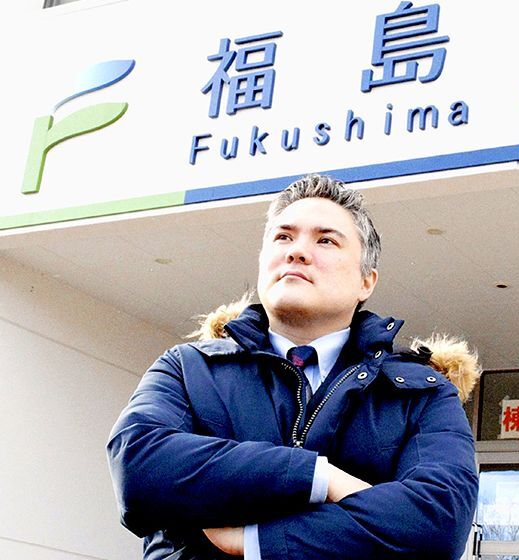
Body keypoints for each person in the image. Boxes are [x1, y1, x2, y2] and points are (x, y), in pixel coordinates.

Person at [107, 174, 480, 559]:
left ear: (366, 281)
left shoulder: (420, 391)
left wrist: (257, 542)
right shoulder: (188, 370)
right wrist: (320, 477)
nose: (297, 252)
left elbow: (438, 524)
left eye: (325, 240)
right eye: (283, 237)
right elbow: (138, 471)